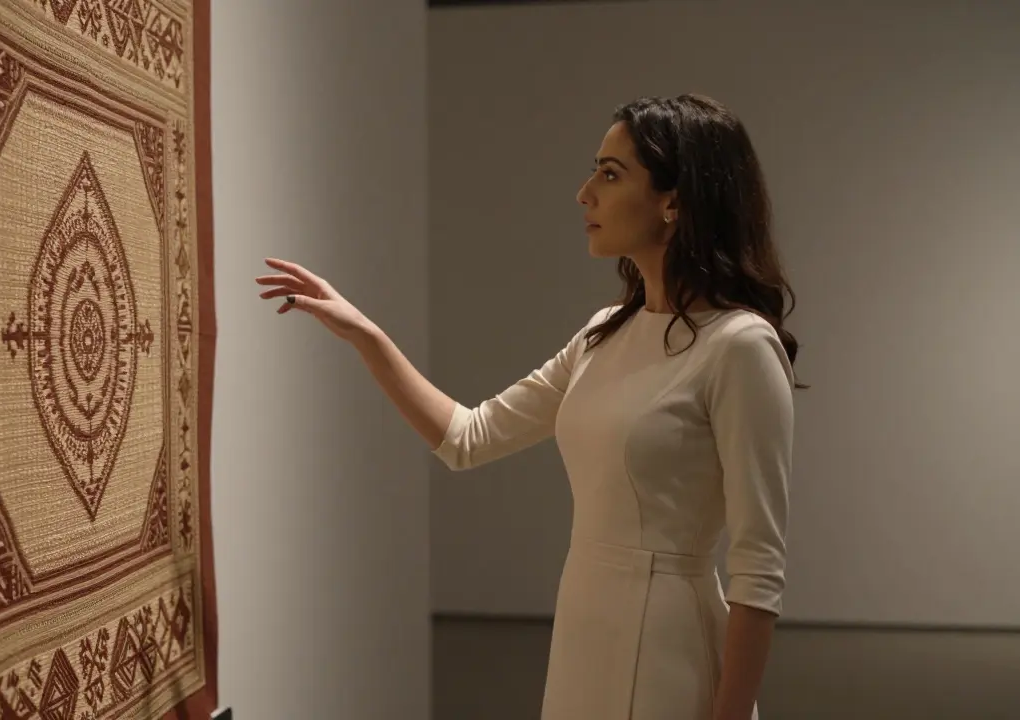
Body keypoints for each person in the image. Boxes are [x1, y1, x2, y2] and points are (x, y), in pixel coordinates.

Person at [255, 93, 799, 720]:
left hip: (670, 650)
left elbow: (759, 570)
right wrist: (366, 335)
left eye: (611, 173)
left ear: (675, 201)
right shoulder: (604, 334)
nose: (584, 192)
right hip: (583, 629)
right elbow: (469, 437)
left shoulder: (740, 347)